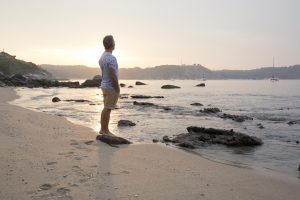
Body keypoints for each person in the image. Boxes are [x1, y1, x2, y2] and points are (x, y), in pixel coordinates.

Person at [99, 35, 120, 136]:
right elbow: (112, 74)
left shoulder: (102, 57)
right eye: (114, 41)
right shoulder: (111, 58)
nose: (115, 43)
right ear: (112, 44)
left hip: (104, 85)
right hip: (110, 87)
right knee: (107, 109)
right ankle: (105, 130)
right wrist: (117, 88)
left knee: (106, 108)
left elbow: (103, 73)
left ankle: (103, 129)